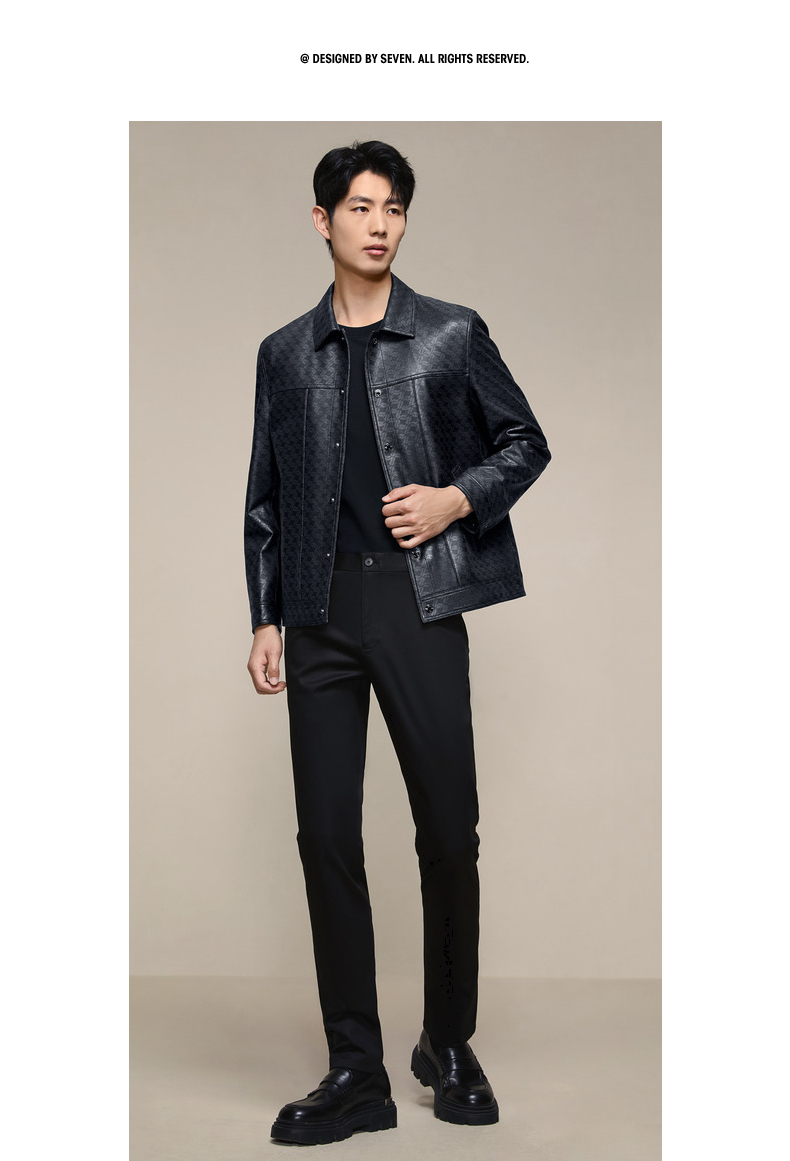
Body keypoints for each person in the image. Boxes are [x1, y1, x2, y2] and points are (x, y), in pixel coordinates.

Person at [244, 140, 551, 1146]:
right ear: (322, 219)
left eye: (394, 208)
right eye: (360, 206)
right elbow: (265, 498)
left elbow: (524, 441)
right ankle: (354, 1069)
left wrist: (457, 497)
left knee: (447, 832)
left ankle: (447, 1042)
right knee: (327, 837)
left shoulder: (450, 334)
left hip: (420, 603)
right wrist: (264, 615)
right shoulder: (284, 353)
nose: (379, 224)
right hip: (318, 611)